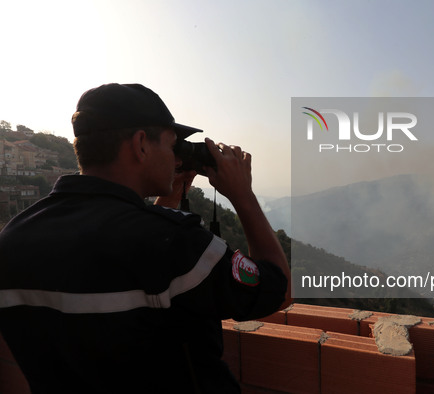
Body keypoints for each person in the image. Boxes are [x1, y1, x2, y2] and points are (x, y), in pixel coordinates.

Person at [0, 83, 291, 393]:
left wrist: (172, 193)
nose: (175, 158)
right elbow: (278, 291)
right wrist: (243, 196)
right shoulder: (178, 244)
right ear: (141, 144)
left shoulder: (14, 238)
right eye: (171, 145)